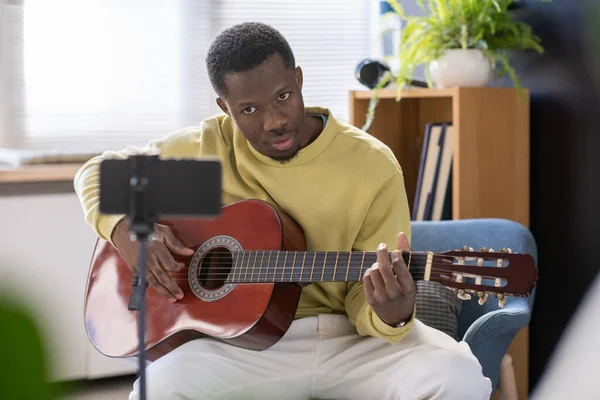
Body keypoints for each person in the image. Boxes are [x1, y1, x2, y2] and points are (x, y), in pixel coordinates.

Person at [74, 22, 492, 400]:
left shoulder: (369, 166)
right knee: (156, 390)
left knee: (459, 376)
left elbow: (360, 301)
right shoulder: (208, 151)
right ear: (226, 109)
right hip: (242, 345)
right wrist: (126, 232)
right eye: (249, 110)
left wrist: (393, 314)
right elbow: (95, 174)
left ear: (299, 79)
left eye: (283, 97)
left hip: (356, 342)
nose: (273, 121)